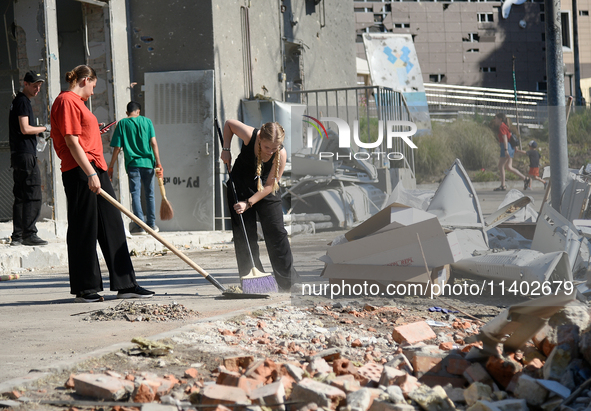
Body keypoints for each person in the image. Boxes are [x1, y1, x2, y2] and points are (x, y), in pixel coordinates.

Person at [50, 65, 154, 303]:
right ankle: (85, 288)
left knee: (112, 223)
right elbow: (71, 141)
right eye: (93, 86)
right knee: (84, 227)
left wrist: (94, 132)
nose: (93, 92)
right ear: (85, 79)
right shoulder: (67, 101)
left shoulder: (77, 103)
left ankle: (126, 283)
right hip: (81, 169)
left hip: (95, 167)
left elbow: (80, 134)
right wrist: (89, 173)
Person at [220, 120, 298, 291]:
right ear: (260, 139)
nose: (270, 151)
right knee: (245, 236)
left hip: (265, 190)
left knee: (277, 232)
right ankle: (255, 283)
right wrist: (226, 150)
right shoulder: (251, 135)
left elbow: (270, 186)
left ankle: (288, 282)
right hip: (239, 187)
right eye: (266, 147)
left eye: (274, 148)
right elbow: (229, 124)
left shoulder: (281, 154)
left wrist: (248, 203)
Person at [108, 101, 163, 234]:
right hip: (148, 163)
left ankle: (140, 226)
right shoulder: (147, 122)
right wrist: (158, 163)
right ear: (138, 111)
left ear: (127, 113)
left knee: (135, 194)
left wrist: (111, 166)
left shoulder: (122, 123)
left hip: (133, 164)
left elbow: (117, 148)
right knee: (149, 194)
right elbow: (154, 143)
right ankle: (151, 224)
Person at [8, 71, 49, 246]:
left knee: (21, 195)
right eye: (34, 85)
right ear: (25, 84)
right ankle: (29, 234)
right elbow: (25, 129)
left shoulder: (18, 101)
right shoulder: (23, 101)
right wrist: (45, 128)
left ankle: (18, 236)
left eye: (39, 86)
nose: (37, 89)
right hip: (25, 155)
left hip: (19, 154)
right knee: (33, 193)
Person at [492, 113, 529, 191]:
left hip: (506, 147)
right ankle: (525, 178)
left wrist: (505, 150)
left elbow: (505, 138)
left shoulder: (502, 127)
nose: (495, 120)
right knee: (509, 167)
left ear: (500, 119)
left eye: (496, 118)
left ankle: (503, 185)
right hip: (510, 147)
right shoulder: (506, 126)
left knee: (501, 166)